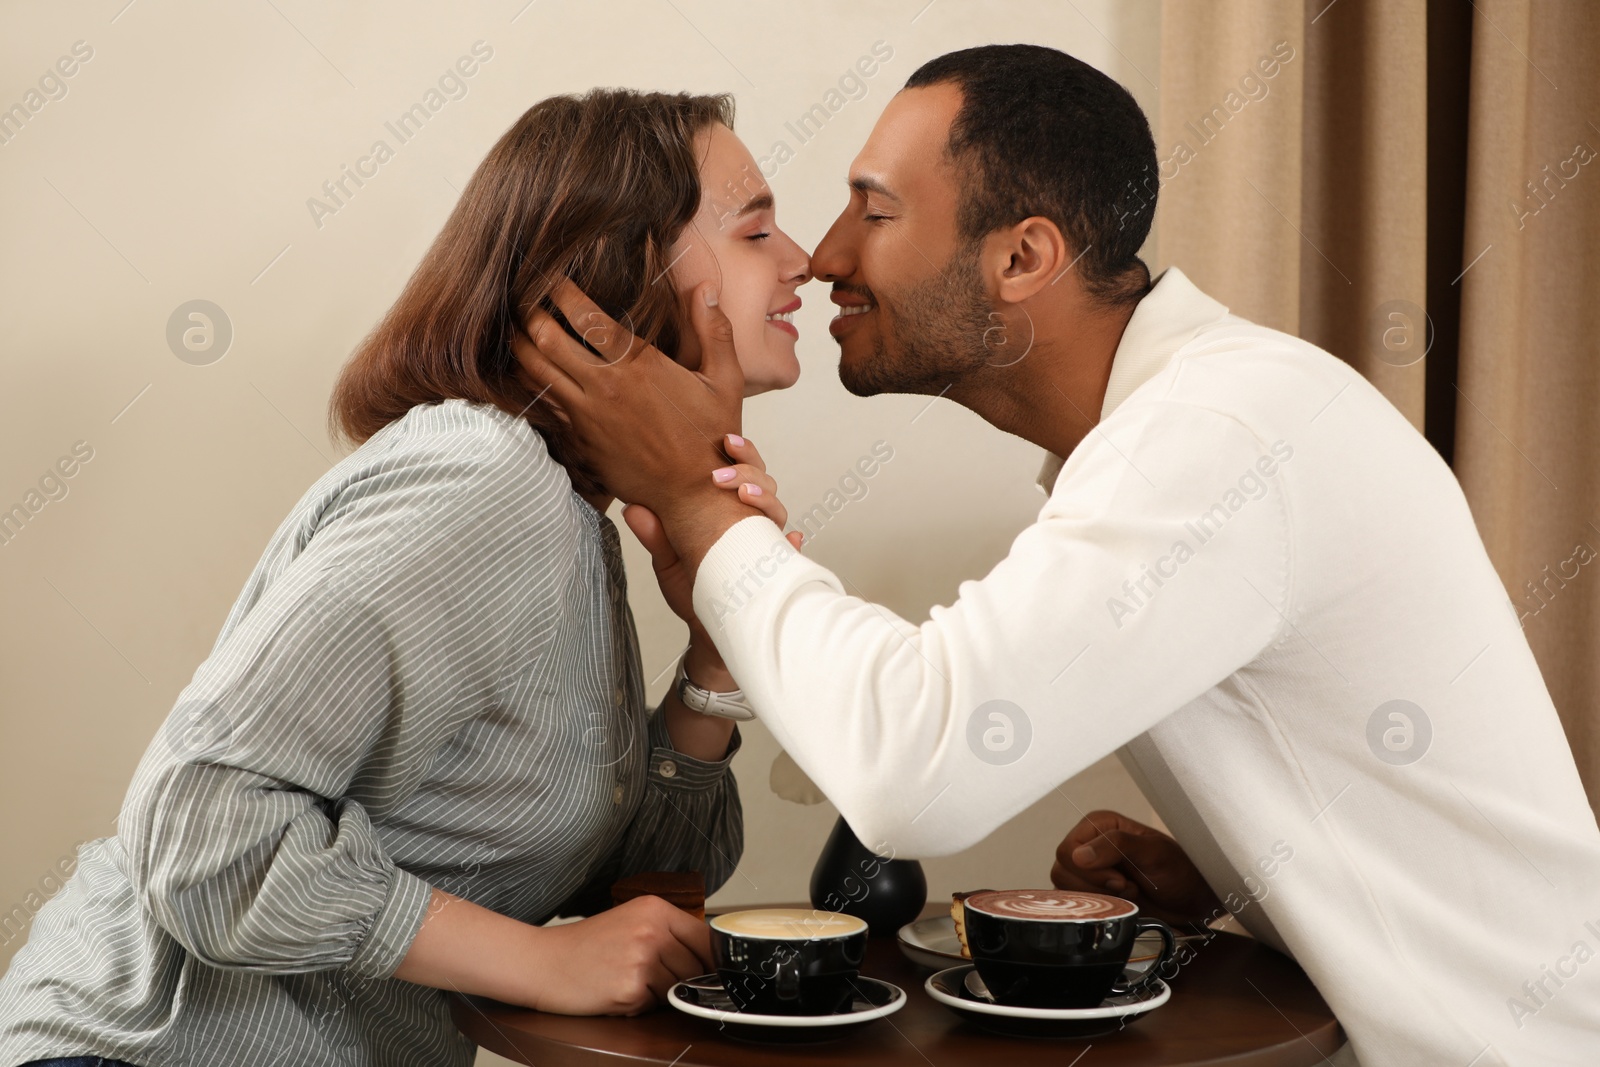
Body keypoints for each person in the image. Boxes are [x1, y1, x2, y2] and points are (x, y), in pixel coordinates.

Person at [511, 45, 1600, 1066]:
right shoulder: (1192, 425)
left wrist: (702, 513)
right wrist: (1248, 880)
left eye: (874, 211)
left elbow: (911, 769)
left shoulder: (1218, 432)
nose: (827, 255)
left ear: (1022, 255)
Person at [0, 88, 810, 1067]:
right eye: (757, 228)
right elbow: (204, 829)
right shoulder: (483, 484)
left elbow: (640, 894)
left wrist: (714, 657)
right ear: (619, 269)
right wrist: (542, 964)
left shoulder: (566, 515)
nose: (801, 259)